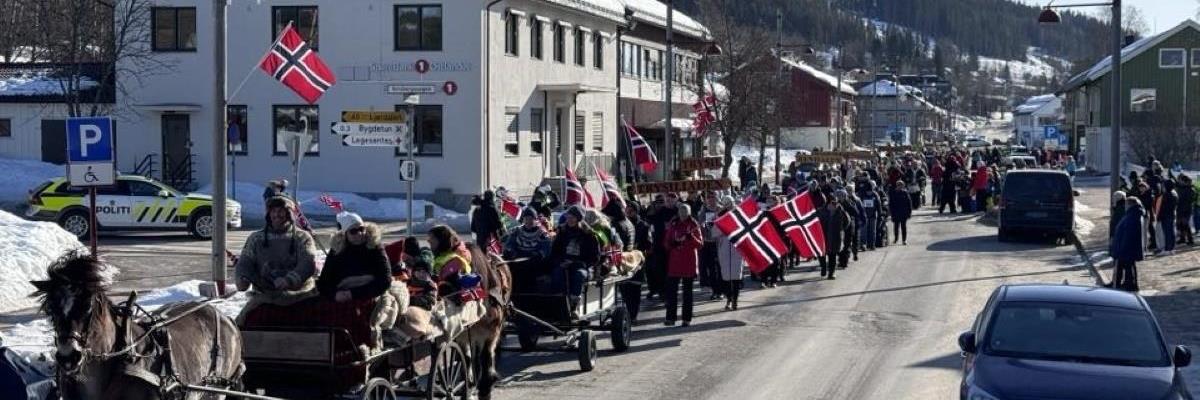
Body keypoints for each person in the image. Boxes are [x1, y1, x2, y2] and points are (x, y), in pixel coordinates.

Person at [234, 196, 319, 323]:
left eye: (281, 211)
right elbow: (245, 262)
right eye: (273, 211)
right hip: (265, 296)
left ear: (289, 213)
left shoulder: (303, 237)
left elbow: (307, 263)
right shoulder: (256, 238)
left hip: (300, 295)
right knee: (242, 324)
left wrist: (289, 280)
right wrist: (242, 278)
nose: (277, 215)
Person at [318, 213, 391, 303]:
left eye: (361, 229)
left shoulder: (374, 246)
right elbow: (324, 282)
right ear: (345, 234)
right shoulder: (337, 249)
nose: (359, 233)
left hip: (370, 295)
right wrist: (334, 294)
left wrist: (352, 294)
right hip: (341, 297)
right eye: (353, 231)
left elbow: (385, 280)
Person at [549, 206, 600, 315]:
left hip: (581, 266)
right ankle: (560, 303)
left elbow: (594, 257)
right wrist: (560, 262)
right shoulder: (562, 232)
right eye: (568, 217)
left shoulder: (589, 235)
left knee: (579, 275)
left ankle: (574, 306)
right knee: (556, 274)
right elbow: (554, 252)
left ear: (578, 219)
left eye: (573, 217)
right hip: (563, 264)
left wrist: (576, 263)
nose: (569, 219)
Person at [663, 203, 702, 326]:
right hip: (675, 263)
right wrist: (672, 244)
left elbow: (700, 244)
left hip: (688, 262)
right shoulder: (673, 224)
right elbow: (666, 242)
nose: (683, 213)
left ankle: (686, 319)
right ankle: (670, 317)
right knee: (671, 292)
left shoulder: (694, 224)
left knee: (687, 293)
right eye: (681, 210)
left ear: (689, 212)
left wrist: (691, 238)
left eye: (685, 210)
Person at [619, 201, 654, 323]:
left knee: (635, 290)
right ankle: (626, 314)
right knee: (624, 289)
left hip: (637, 261)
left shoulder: (644, 226)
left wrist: (640, 252)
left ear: (635, 211)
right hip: (624, 262)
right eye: (627, 210)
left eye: (631, 210)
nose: (628, 212)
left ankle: (633, 315)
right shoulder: (622, 225)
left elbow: (649, 245)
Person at [504, 208, 553, 293]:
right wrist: (510, 251)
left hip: (534, 260)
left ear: (535, 220)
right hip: (518, 257)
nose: (528, 221)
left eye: (531, 219)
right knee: (508, 268)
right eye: (526, 219)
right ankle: (510, 290)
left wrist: (539, 254)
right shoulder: (517, 231)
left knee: (531, 269)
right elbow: (509, 244)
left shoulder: (542, 232)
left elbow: (546, 247)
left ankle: (529, 292)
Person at [646, 193, 679, 300]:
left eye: (671, 200)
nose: (669, 202)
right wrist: (651, 209)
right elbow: (650, 219)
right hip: (659, 245)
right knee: (660, 270)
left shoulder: (677, 212)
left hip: (673, 245)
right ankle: (662, 291)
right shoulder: (660, 212)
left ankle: (670, 291)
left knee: (672, 270)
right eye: (667, 200)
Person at [715, 197, 745, 311]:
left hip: (737, 248)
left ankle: (735, 300)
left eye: (730, 204)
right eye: (726, 204)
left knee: (736, 276)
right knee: (726, 277)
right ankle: (729, 298)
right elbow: (715, 233)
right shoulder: (720, 215)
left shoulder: (740, 214)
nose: (729, 206)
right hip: (724, 248)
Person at [1111, 197, 1146, 292]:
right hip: (1128, 246)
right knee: (1129, 266)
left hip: (1127, 247)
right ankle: (1129, 283)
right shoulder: (1134, 214)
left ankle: (1130, 284)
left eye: (1126, 204)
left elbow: (1128, 233)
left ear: (1130, 204)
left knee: (1129, 266)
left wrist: (1122, 248)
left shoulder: (1133, 215)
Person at [696, 192, 724, 300]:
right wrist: (702, 225)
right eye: (709, 197)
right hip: (708, 242)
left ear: (717, 198)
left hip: (719, 242)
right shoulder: (704, 211)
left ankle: (721, 290)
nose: (711, 199)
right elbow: (699, 224)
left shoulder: (722, 210)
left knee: (719, 268)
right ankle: (714, 291)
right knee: (711, 269)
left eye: (713, 197)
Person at [817, 197, 849, 280]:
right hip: (823, 237)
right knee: (822, 254)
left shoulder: (840, 212)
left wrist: (841, 229)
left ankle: (831, 273)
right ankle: (823, 267)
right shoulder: (821, 211)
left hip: (835, 237)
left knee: (832, 256)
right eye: (832, 203)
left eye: (835, 203)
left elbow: (847, 221)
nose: (834, 205)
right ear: (828, 204)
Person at [859, 181, 881, 251]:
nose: (869, 193)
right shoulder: (862, 195)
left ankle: (872, 245)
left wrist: (880, 214)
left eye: (870, 191)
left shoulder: (875, 195)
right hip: (864, 216)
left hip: (873, 215)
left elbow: (879, 206)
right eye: (868, 191)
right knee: (863, 231)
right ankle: (863, 244)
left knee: (873, 231)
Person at [1158, 180, 1179, 255]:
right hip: (1172, 215)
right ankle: (1171, 248)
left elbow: (1162, 207)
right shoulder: (1174, 194)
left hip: (1166, 216)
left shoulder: (1166, 195)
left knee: (1167, 233)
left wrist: (1159, 216)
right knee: (1171, 232)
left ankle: (1167, 249)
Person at [889, 180, 913, 245]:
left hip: (903, 213)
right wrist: (891, 213)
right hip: (896, 213)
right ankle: (896, 239)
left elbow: (909, 203)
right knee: (896, 227)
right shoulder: (893, 193)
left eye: (901, 185)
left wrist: (909, 212)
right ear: (897, 186)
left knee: (903, 227)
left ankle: (904, 240)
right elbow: (891, 204)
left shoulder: (905, 193)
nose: (900, 187)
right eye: (899, 185)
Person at [1177, 175, 1196, 246]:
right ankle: (1182, 238)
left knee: (1186, 224)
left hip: (1186, 209)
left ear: (1185, 181)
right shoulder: (1181, 188)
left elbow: (1189, 199)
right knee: (1181, 224)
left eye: (1181, 180)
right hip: (1180, 208)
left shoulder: (1190, 189)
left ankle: (1190, 239)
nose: (1180, 181)